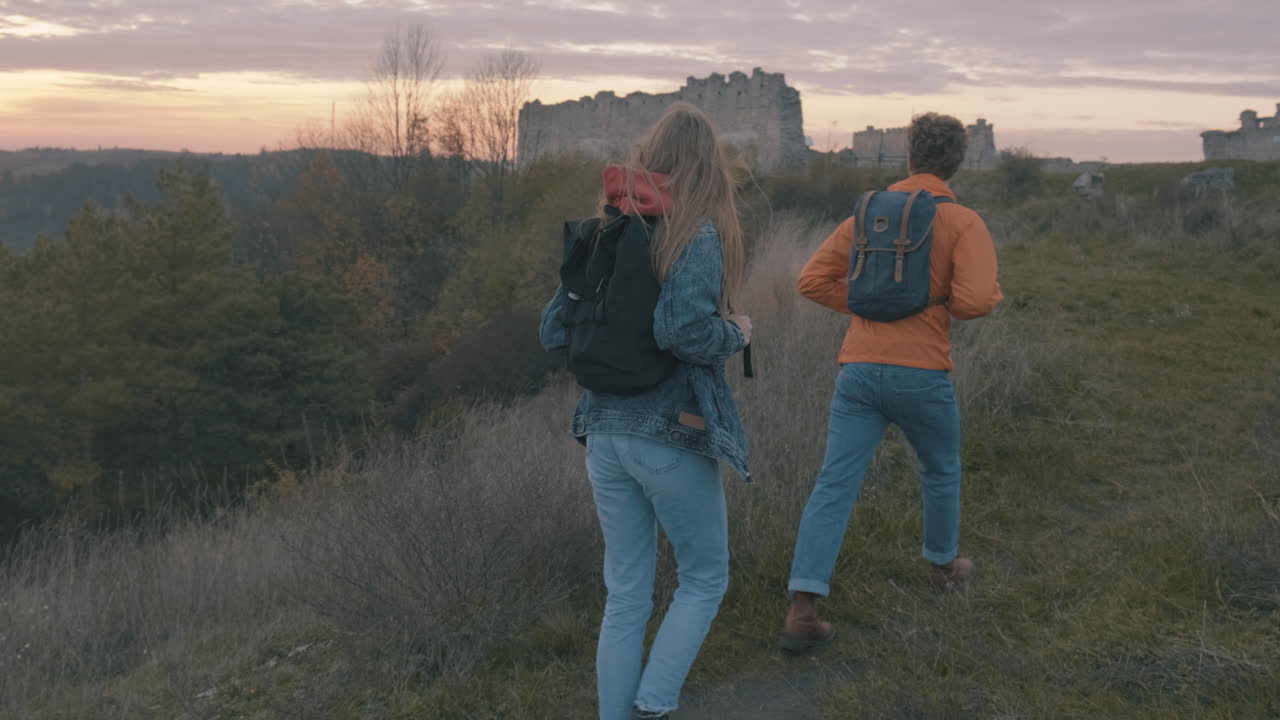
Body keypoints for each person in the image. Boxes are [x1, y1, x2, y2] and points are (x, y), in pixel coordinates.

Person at [539, 102, 751, 720]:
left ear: (649, 158)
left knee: (626, 592)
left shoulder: (606, 227)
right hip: (670, 433)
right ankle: (655, 705)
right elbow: (681, 331)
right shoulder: (696, 231)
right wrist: (735, 331)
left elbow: (554, 330)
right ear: (705, 166)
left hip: (603, 432)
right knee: (705, 577)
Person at [779, 112, 1003, 651]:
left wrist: (866, 308)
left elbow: (811, 280)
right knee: (941, 470)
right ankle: (943, 566)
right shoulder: (963, 221)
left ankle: (803, 609)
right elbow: (974, 302)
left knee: (834, 485)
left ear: (907, 155)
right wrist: (942, 303)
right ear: (958, 162)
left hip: (857, 370)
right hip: (922, 372)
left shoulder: (868, 212)